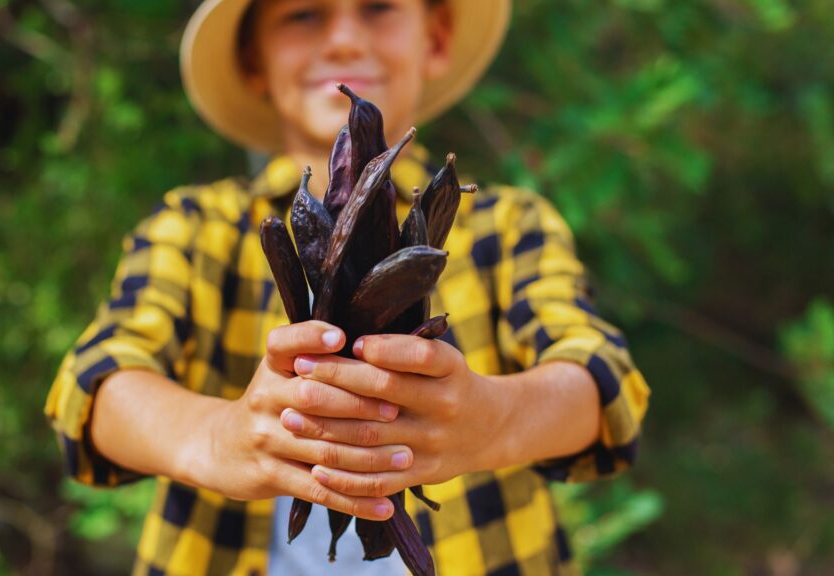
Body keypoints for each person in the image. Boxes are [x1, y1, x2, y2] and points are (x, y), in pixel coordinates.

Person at [44, 0, 651, 574]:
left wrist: (494, 420)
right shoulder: (195, 228)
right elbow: (96, 384)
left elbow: (600, 377)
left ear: (435, 39)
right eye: (303, 13)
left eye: (379, 7)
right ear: (254, 60)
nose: (342, 40)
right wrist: (218, 438)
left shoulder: (507, 226)